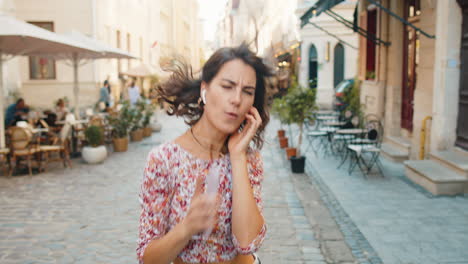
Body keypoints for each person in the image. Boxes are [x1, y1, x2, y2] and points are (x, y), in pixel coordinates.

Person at [137, 43, 272, 264]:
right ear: (205, 90)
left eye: (247, 91)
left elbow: (248, 243)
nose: (237, 99)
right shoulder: (164, 159)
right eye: (227, 86)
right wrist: (187, 227)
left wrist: (237, 157)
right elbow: (147, 258)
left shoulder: (249, 160)